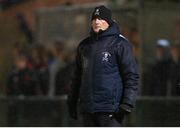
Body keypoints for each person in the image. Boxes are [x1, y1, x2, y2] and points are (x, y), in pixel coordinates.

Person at [67, 5, 139, 127]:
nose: (97, 22)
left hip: (111, 110)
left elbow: (131, 75)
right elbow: (77, 77)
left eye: (101, 19)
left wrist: (127, 103)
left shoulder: (120, 44)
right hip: (88, 110)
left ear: (108, 21)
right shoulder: (84, 46)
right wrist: (72, 101)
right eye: (94, 19)